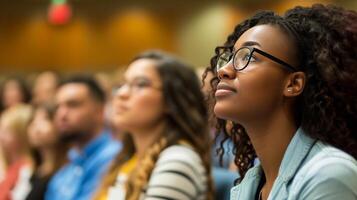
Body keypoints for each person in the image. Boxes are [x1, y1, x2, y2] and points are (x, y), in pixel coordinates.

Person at [203, 4, 357, 200]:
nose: (223, 70)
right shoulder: (248, 185)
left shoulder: (328, 175)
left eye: (247, 57)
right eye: (230, 57)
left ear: (293, 83)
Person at [94, 51, 213, 200]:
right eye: (122, 84)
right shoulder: (127, 158)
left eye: (141, 84)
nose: (121, 94)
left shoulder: (177, 160)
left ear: (171, 100)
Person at [45, 75, 121, 200]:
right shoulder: (68, 165)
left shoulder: (114, 157)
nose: (61, 114)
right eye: (58, 106)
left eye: (73, 105)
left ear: (100, 111)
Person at [26, 103, 68, 200]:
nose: (36, 127)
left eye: (45, 119)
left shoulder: (67, 170)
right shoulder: (34, 170)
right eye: (32, 121)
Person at [0, 104, 34, 200]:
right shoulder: (8, 167)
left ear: (22, 133)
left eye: (7, 130)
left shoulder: (28, 169)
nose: (1, 135)